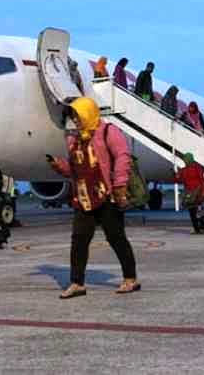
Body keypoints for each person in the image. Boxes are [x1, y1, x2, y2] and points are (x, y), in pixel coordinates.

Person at [48, 97, 140, 298]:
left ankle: (130, 279)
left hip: (106, 195)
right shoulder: (74, 139)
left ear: (87, 113)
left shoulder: (107, 131)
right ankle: (77, 283)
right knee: (79, 241)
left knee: (116, 238)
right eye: (73, 116)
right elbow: (75, 171)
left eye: (77, 115)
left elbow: (123, 156)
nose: (75, 119)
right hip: (83, 198)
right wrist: (59, 165)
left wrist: (120, 185)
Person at [174, 153, 204, 234]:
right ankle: (202, 228)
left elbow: (178, 180)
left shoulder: (184, 170)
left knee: (193, 212)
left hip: (191, 194)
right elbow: (202, 179)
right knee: (198, 212)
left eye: (185, 159)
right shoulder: (197, 168)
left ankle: (197, 229)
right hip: (197, 193)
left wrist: (175, 176)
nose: (184, 161)